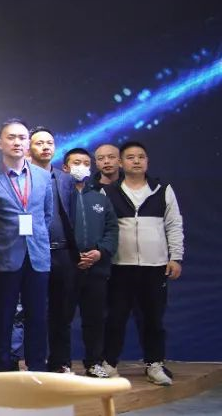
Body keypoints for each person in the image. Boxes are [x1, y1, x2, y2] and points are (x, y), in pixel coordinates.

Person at [101, 141, 184, 386]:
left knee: (153, 319)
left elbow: (174, 225)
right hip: (119, 267)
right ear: (120, 163)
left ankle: (154, 364)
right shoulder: (110, 192)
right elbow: (103, 228)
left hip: (155, 266)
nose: (136, 161)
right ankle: (109, 363)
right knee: (115, 318)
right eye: (130, 157)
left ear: (147, 161)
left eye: (141, 157)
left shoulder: (162, 189)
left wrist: (175, 257)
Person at [0, 118, 52, 373]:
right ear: (0, 143)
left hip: (37, 255)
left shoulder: (43, 176)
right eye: (11, 137)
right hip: (4, 257)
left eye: (22, 138)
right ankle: (2, 369)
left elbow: (46, 215)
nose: (17, 142)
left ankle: (37, 368)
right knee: (3, 316)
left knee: (38, 316)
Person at [51, 148, 119, 378]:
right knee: (61, 318)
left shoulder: (100, 198)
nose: (81, 166)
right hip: (66, 267)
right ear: (65, 168)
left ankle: (93, 362)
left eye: (86, 163)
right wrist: (71, 255)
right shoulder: (57, 196)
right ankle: (61, 363)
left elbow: (112, 230)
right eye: (76, 162)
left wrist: (100, 252)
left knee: (95, 319)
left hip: (96, 269)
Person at [28, 127, 78, 374]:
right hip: (34, 252)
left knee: (62, 313)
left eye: (49, 142)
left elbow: (74, 216)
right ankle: (34, 363)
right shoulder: (22, 178)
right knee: (33, 312)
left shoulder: (66, 179)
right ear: (29, 148)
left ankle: (60, 362)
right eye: (39, 143)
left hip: (63, 253)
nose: (45, 147)